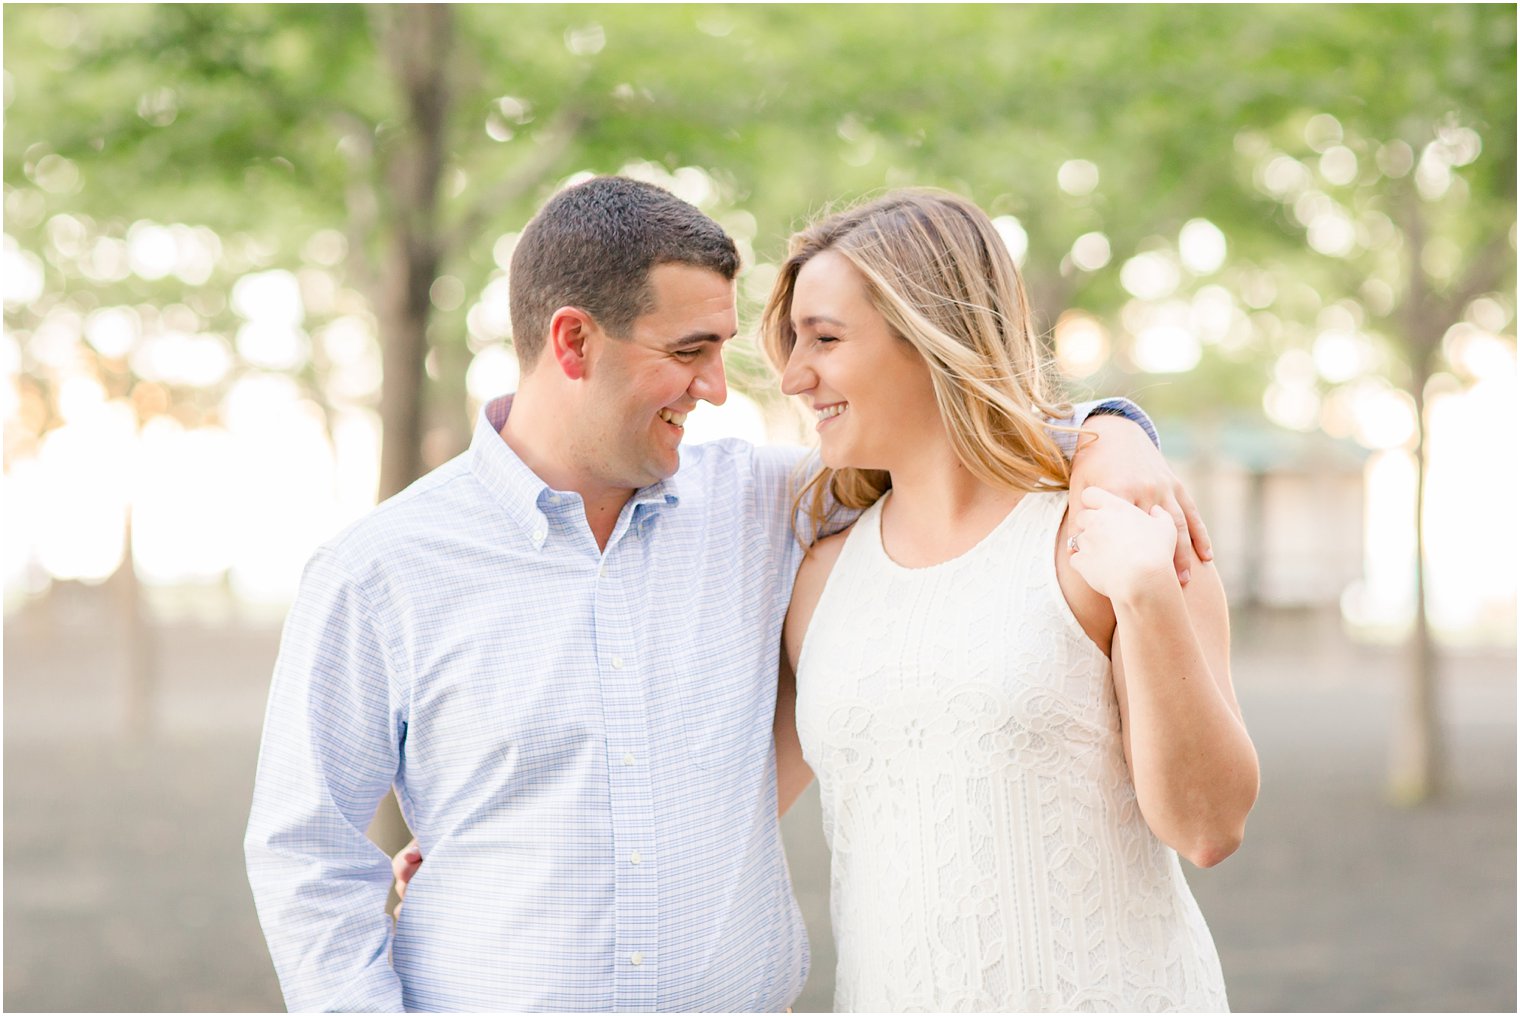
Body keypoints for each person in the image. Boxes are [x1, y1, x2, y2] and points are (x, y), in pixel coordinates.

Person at [246, 175, 1207, 1012]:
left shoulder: (764, 505)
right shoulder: (382, 571)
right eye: (690, 350)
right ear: (574, 342)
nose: (722, 386)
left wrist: (1111, 428)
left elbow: (946, 427)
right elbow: (306, 856)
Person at [761, 190, 1259, 1012]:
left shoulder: (1108, 537)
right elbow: (727, 809)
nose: (792, 375)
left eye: (824, 338)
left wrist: (1145, 597)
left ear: (931, 337)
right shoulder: (816, 580)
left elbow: (1209, 827)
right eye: (792, 342)